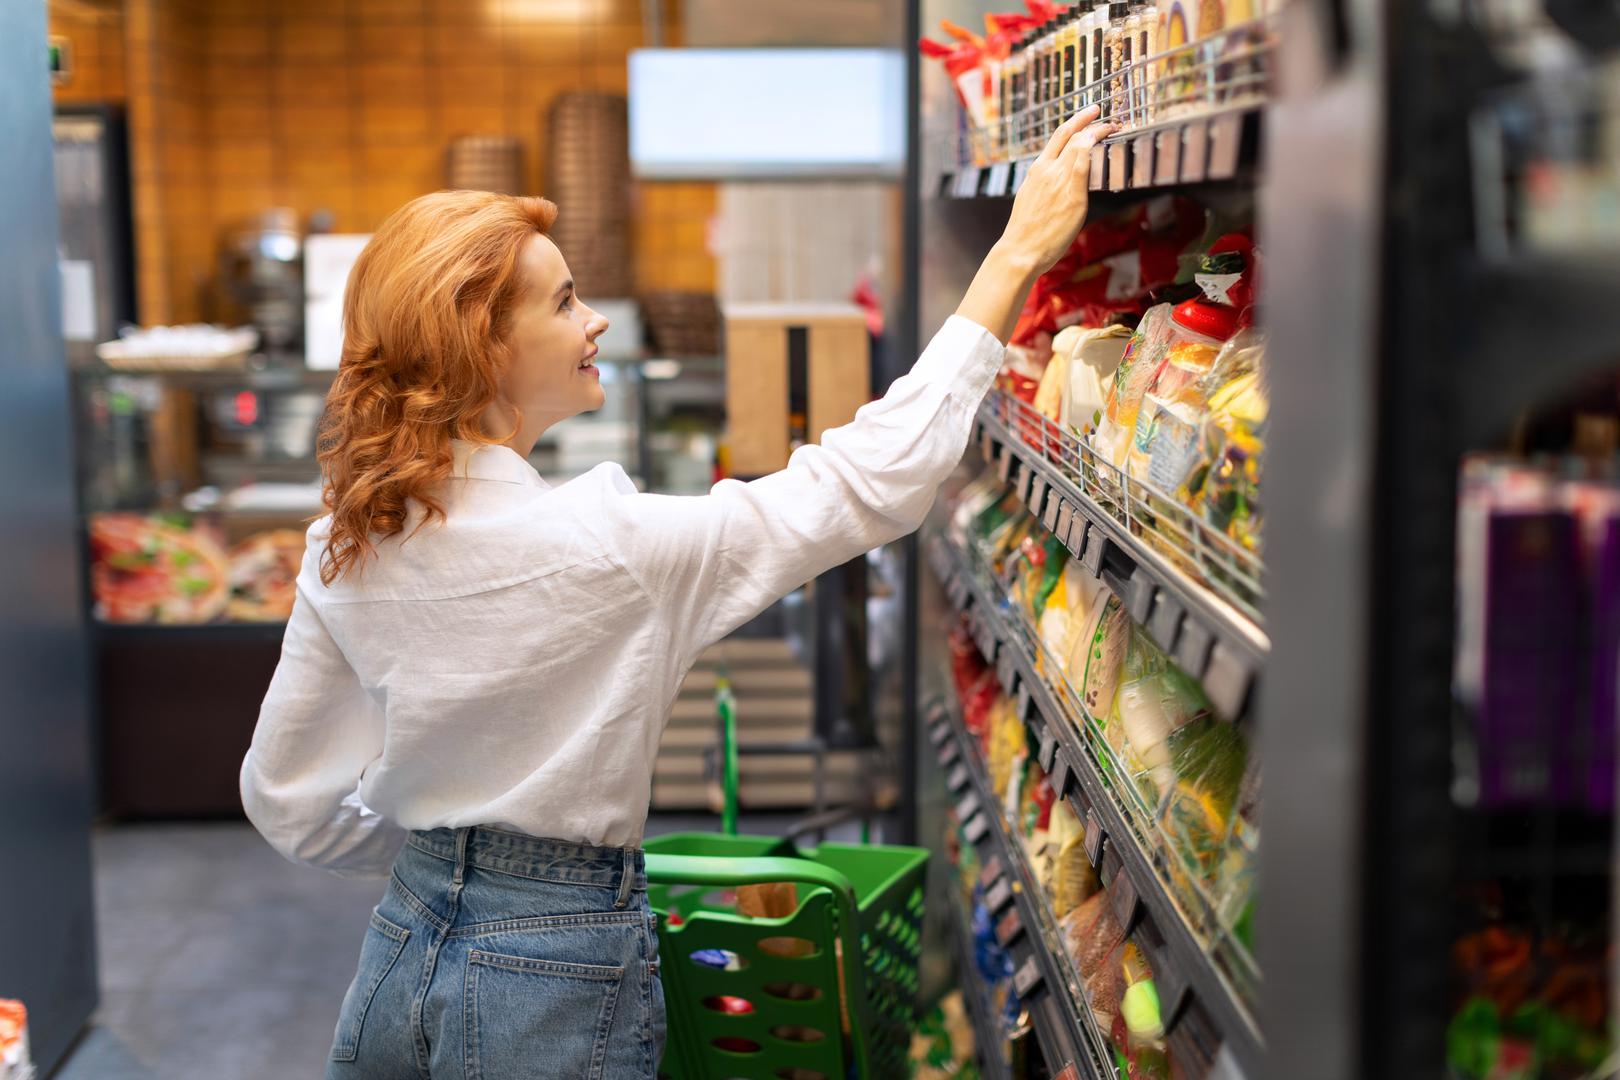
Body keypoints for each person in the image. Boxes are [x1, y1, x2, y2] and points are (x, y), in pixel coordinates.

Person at [240, 105, 1115, 1080]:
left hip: (400, 952)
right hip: (554, 966)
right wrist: (1011, 260)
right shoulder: (609, 544)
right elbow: (865, 484)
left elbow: (288, 800)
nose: (595, 320)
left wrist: (448, 855)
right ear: (484, 349)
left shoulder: (345, 541)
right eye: (565, 301)